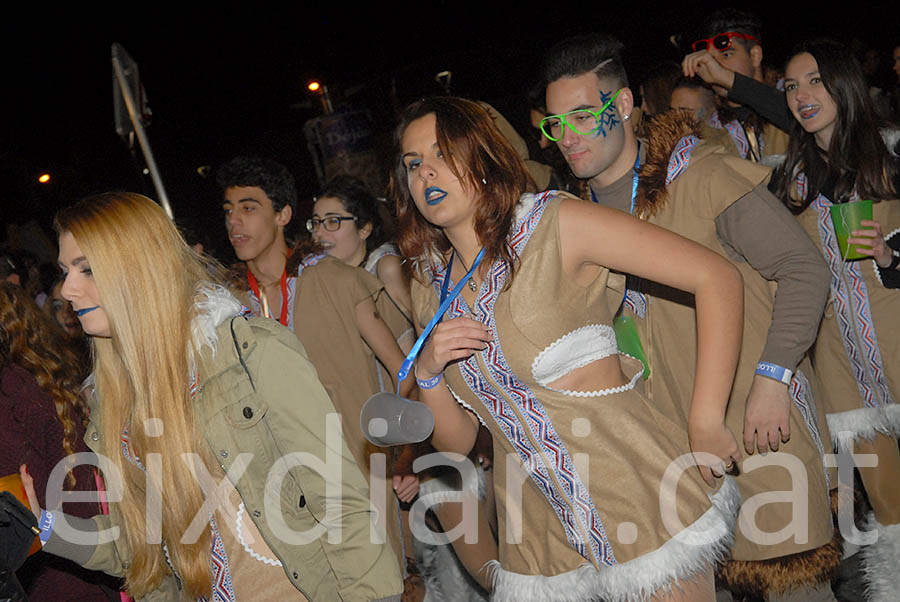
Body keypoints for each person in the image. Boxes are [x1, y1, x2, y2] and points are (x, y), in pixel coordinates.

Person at [391, 96, 746, 602]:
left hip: (634, 485)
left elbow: (716, 277)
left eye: (442, 154)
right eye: (413, 164)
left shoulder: (554, 225)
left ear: (484, 157)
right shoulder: (430, 289)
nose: (426, 172)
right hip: (540, 533)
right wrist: (428, 374)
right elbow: (460, 443)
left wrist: (707, 417)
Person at [544, 33, 838, 601]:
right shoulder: (573, 220)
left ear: (624, 106)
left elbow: (805, 271)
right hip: (668, 462)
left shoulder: (701, 176)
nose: (569, 137)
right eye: (557, 124)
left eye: (584, 115)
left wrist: (774, 378)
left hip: (757, 433)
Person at [21, 192, 403, 601]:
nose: (67, 289)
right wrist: (40, 526)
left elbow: (338, 502)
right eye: (65, 271)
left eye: (87, 269)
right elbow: (136, 546)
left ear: (139, 269)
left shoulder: (251, 353)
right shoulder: (111, 402)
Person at [215, 157, 417, 592]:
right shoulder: (228, 307)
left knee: (375, 586)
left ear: (283, 214)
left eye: (249, 208)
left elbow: (402, 373)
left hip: (356, 469)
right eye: (229, 210)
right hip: (282, 484)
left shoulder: (335, 281)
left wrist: (406, 455)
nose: (235, 221)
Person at [760, 40, 900, 602]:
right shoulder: (789, 181)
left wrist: (891, 257)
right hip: (844, 373)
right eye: (791, 87)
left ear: (841, 83)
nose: (802, 96)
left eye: (814, 81)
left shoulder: (892, 156)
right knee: (891, 513)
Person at [0, 283, 117, 601]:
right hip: (78, 563)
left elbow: (21, 507)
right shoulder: (33, 383)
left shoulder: (15, 393)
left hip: (59, 575)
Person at [681, 8, 789, 163]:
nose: (714, 66)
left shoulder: (789, 96)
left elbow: (795, 117)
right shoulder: (710, 128)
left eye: (726, 55)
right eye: (710, 59)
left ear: (755, 56)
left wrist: (727, 78)